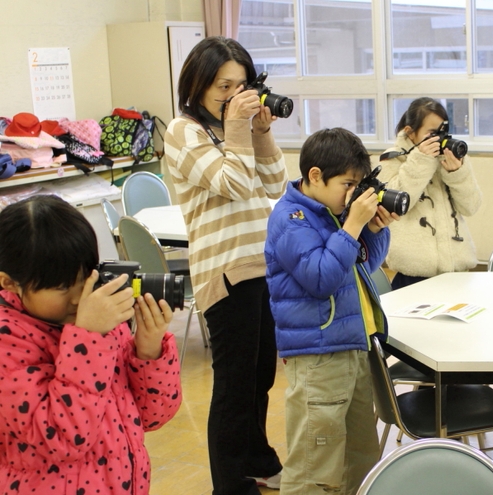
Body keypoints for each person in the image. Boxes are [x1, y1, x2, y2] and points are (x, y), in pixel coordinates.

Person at [163, 36, 287, 494]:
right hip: (225, 271)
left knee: (260, 377)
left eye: (241, 85)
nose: (234, 96)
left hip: (261, 266)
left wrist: (259, 129)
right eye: (223, 86)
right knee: (234, 387)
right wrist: (239, 127)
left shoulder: (232, 129)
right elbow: (234, 182)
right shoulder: (183, 130)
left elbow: (274, 183)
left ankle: (257, 459)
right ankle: (230, 486)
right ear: (197, 84)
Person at [0, 195, 182, 495]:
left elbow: (150, 416)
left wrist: (148, 350)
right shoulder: (9, 341)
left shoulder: (98, 318)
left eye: (83, 278)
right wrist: (88, 337)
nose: (76, 298)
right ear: (9, 283)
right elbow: (61, 438)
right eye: (59, 288)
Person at [265, 128, 399, 495]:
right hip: (318, 357)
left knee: (360, 458)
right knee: (314, 467)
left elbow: (361, 264)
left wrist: (373, 229)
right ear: (314, 176)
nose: (352, 194)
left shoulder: (331, 210)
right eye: (347, 184)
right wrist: (354, 223)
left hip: (351, 347)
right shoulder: (291, 219)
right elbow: (321, 278)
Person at [377, 97, 481, 290]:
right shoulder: (392, 159)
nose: (439, 139)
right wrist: (421, 160)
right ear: (410, 132)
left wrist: (457, 173)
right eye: (432, 133)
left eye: (443, 131)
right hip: (413, 275)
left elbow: (471, 207)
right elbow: (397, 205)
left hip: (457, 273)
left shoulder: (449, 156)